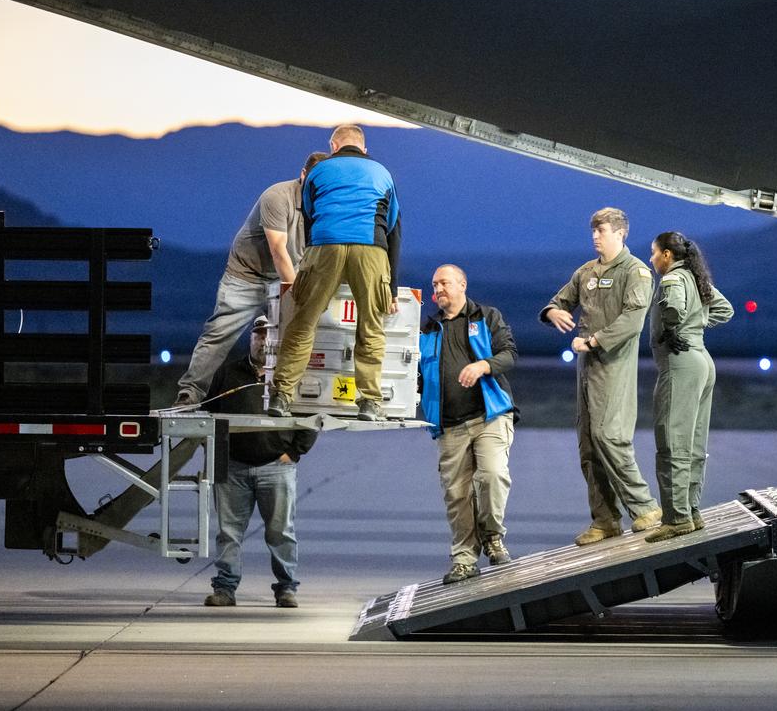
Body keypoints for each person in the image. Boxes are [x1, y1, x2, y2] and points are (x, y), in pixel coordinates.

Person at [541, 207, 661, 545]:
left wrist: (594, 341)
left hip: (613, 363)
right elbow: (559, 300)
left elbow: (633, 320)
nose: (595, 236)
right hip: (586, 365)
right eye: (593, 230)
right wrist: (553, 312)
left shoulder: (635, 272)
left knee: (609, 435)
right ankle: (605, 519)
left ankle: (645, 507)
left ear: (620, 233)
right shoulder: (586, 272)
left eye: (602, 230)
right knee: (588, 443)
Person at [267, 124, 402, 421]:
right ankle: (369, 402)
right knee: (370, 326)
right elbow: (393, 226)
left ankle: (281, 395)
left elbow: (308, 214)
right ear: (364, 148)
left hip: (325, 244)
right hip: (371, 247)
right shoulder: (382, 173)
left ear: (334, 146)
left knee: (303, 322)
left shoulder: (319, 171)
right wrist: (392, 287)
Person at [175, 151, 330, 407]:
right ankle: (189, 395)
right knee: (219, 333)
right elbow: (278, 250)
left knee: (306, 333)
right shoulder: (277, 196)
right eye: (314, 180)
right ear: (303, 175)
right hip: (247, 274)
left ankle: (300, 398)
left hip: (287, 274)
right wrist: (297, 296)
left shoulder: (325, 205)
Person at [203, 317, 316, 608]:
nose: (264, 341)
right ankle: (225, 589)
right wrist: (215, 450)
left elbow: (312, 416)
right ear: (250, 339)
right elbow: (208, 414)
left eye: (269, 335)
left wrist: (294, 452)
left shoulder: (290, 375)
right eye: (258, 335)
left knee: (281, 533)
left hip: (276, 467)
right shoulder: (228, 373)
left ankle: (286, 589)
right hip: (233, 468)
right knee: (228, 533)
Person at [419, 265, 519, 584]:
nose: (438, 289)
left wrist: (483, 366)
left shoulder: (486, 317)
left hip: (489, 415)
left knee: (492, 475)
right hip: (449, 424)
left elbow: (509, 354)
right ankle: (464, 558)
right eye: (435, 284)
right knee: (457, 494)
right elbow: (417, 375)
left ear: (462, 284)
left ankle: (492, 536)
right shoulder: (427, 329)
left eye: (444, 283)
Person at [645, 232, 733, 542]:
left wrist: (674, 328)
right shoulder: (696, 278)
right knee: (694, 442)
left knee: (673, 442)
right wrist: (697, 325)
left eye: (654, 253)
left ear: (667, 255)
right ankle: (692, 511)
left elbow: (673, 311)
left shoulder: (671, 279)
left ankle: (677, 518)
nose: (652, 259)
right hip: (702, 360)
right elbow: (725, 309)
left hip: (680, 363)